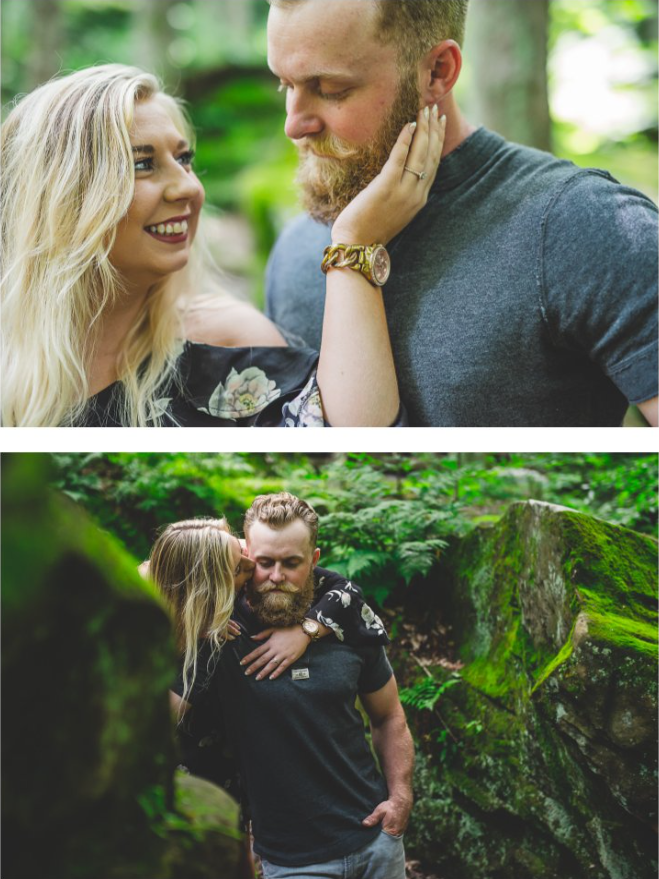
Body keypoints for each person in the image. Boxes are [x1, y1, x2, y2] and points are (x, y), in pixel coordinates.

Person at [264, 0, 659, 427]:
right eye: (285, 85)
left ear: (438, 72)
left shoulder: (585, 225)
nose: (293, 124)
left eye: (329, 89)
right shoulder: (294, 251)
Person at [1, 63, 444, 427]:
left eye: (184, 159)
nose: (188, 188)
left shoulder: (227, 344)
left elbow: (360, 440)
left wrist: (356, 243)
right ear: (62, 199)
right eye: (143, 164)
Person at [171, 493, 414, 879]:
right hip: (292, 861)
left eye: (291, 563)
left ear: (314, 560)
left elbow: (389, 716)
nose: (277, 576)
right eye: (264, 563)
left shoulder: (345, 620)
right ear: (246, 558)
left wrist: (400, 797)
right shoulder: (217, 632)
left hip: (377, 841)